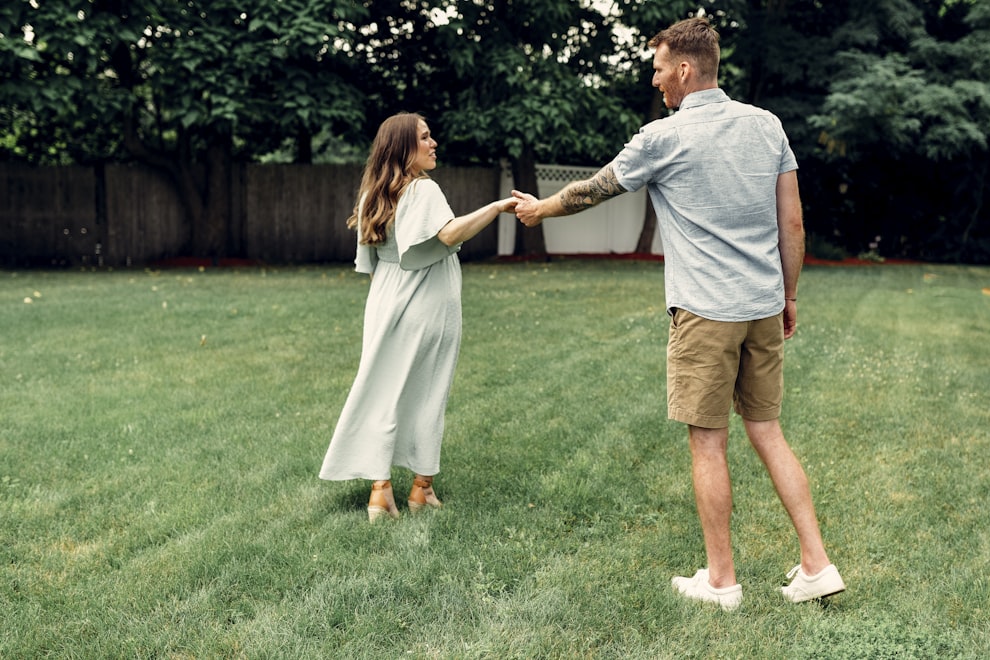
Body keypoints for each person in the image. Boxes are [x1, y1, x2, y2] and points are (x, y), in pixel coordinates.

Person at [512, 17, 844, 610]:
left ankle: (721, 581)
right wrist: (789, 296)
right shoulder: (767, 126)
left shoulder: (663, 136)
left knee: (708, 443)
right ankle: (817, 564)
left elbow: (593, 189)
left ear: (686, 70)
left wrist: (540, 211)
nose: (656, 79)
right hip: (763, 307)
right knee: (768, 431)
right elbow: (792, 224)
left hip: (704, 313)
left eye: (660, 67)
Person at [319, 112, 515, 522]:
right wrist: (496, 207)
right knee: (428, 392)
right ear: (405, 148)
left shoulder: (374, 192)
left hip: (383, 299)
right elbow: (447, 234)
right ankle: (421, 490)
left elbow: (369, 262)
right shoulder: (424, 190)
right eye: (425, 137)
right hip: (425, 298)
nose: (434, 143)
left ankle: (380, 491)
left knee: (382, 390)